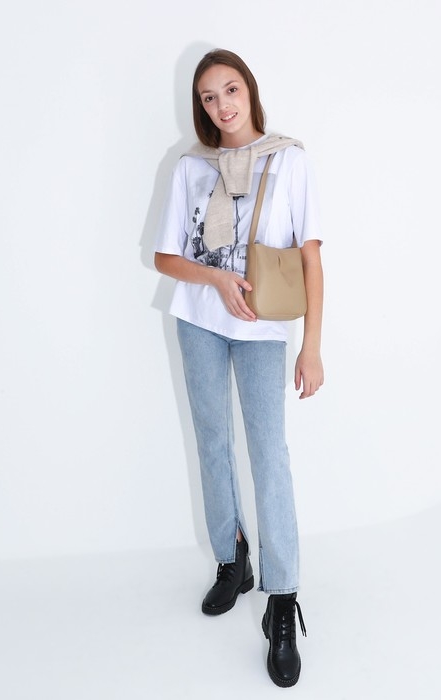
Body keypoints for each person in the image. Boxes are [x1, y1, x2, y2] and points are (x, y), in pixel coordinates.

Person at [153, 48, 324, 688]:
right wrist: (217, 280)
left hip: (263, 327)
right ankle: (233, 559)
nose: (222, 105)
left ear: (249, 90)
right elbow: (167, 258)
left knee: (268, 453)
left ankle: (282, 600)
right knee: (212, 441)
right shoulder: (190, 167)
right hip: (198, 319)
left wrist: (312, 345)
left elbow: (310, 257)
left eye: (230, 90)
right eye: (208, 97)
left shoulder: (289, 159)